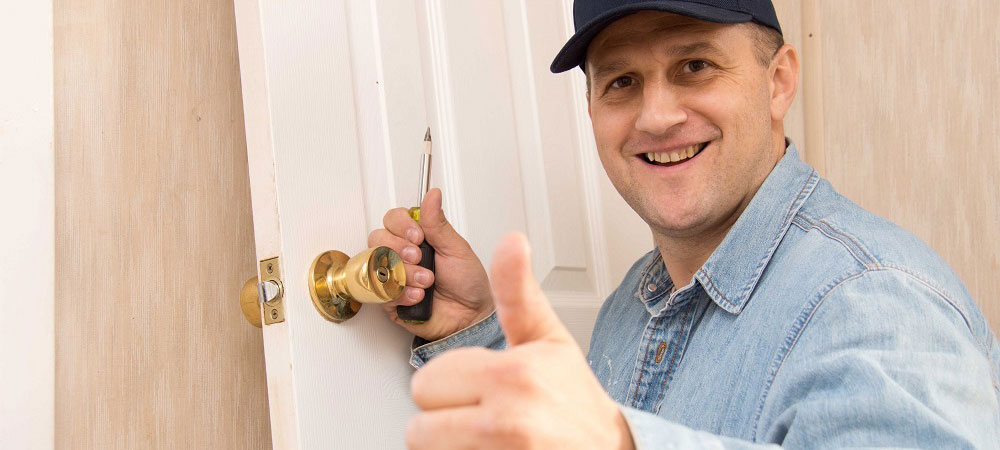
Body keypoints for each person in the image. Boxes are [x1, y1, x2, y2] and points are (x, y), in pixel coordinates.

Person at [367, 0, 1000, 448]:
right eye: (622, 81)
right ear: (591, 109)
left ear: (778, 82)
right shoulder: (632, 303)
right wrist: (474, 328)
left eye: (695, 66)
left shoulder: (877, 303)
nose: (656, 116)